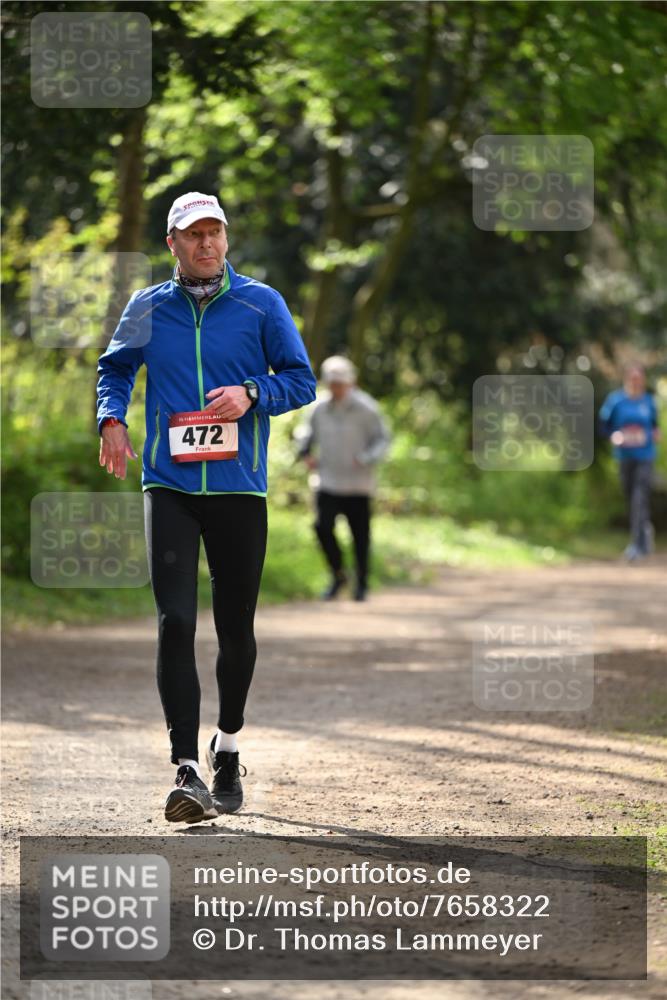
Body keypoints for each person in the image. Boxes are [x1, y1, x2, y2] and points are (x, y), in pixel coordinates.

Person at [96, 191, 316, 823]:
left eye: (215, 232)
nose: (206, 243)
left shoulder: (261, 302)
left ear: (227, 238)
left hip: (239, 488)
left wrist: (252, 393)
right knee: (175, 622)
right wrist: (111, 417)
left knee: (236, 628)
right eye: (194, 234)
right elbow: (115, 369)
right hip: (169, 485)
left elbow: (297, 379)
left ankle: (228, 744)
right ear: (173, 244)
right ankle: (186, 768)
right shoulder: (147, 307)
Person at [298, 355, 390, 601]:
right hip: (327, 480)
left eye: (340, 383)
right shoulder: (317, 407)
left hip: (359, 484)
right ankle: (338, 575)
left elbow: (383, 439)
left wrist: (367, 457)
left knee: (360, 535)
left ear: (351, 382)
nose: (336, 388)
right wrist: (305, 453)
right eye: (331, 383)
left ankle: (361, 583)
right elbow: (305, 435)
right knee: (322, 527)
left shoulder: (367, 408)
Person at [599, 363, 660, 562]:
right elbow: (603, 427)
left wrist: (653, 435)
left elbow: (655, 427)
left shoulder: (649, 402)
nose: (635, 381)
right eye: (632, 378)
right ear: (626, 379)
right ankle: (644, 531)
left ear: (642, 380)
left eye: (638, 378)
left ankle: (636, 546)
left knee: (639, 498)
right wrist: (613, 436)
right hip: (625, 457)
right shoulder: (616, 401)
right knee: (630, 497)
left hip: (645, 456)